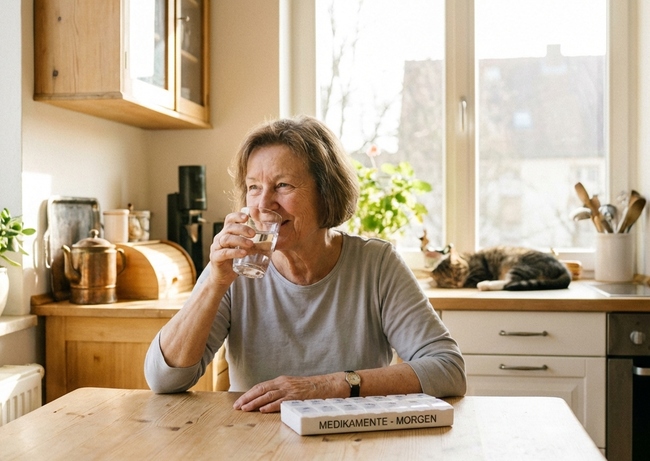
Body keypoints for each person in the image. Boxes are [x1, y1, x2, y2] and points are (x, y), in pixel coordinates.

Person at [144, 115, 466, 413]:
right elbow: (163, 379)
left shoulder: (376, 264)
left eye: (283, 185)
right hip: (254, 437)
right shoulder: (234, 267)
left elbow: (448, 369)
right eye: (254, 187)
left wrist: (325, 387)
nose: (264, 204)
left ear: (326, 193)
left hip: (352, 438)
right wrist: (214, 284)